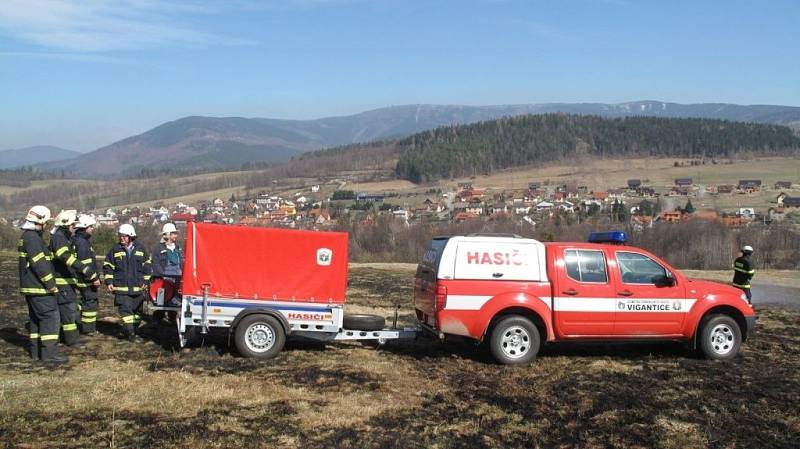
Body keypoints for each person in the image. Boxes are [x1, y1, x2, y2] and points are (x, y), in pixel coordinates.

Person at [18, 205, 67, 363]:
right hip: (40, 288)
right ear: (39, 221)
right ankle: (49, 355)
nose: (46, 226)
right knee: (50, 318)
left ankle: (35, 352)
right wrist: (51, 284)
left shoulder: (27, 237)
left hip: (32, 288)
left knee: (35, 320)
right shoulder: (32, 238)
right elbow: (40, 264)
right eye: (46, 222)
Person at [49, 210, 97, 347]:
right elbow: (64, 256)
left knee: (68, 310)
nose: (73, 228)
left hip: (65, 281)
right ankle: (71, 340)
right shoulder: (59, 237)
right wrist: (83, 268)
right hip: (62, 281)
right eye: (71, 225)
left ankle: (66, 338)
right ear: (65, 225)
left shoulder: (63, 237)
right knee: (68, 311)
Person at [104, 224, 152, 342]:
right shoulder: (115, 250)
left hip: (137, 288)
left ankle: (133, 331)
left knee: (137, 314)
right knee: (126, 312)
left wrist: (146, 281)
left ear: (131, 237)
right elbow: (108, 266)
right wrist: (109, 282)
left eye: (125, 236)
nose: (122, 239)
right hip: (121, 289)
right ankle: (131, 335)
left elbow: (147, 266)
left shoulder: (140, 249)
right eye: (121, 236)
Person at [150, 222, 184, 324]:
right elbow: (156, 264)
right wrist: (162, 275)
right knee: (162, 302)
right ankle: (156, 322)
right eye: (173, 233)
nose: (176, 235)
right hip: (164, 278)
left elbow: (180, 262)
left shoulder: (177, 247)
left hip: (177, 277)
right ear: (168, 234)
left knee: (175, 300)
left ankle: (172, 320)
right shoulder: (159, 248)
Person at [73, 215, 101, 335]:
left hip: (79, 278)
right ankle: (89, 329)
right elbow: (86, 264)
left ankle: (80, 322)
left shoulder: (76, 240)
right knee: (90, 302)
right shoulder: (83, 243)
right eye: (91, 227)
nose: (92, 229)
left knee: (84, 301)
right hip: (86, 279)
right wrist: (93, 277)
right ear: (85, 228)